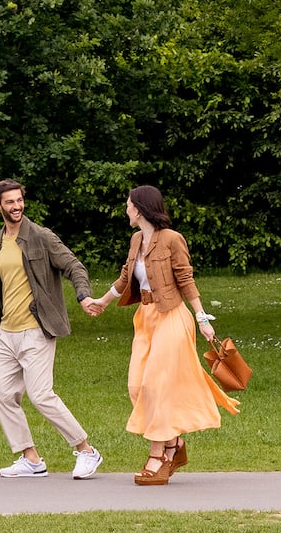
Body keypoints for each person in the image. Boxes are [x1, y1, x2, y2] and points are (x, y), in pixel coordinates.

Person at [81, 183, 236, 483]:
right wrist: (103, 300)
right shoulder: (137, 239)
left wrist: (203, 318)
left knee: (156, 386)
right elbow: (127, 276)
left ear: (139, 208)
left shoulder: (172, 239)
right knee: (137, 386)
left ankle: (158, 456)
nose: (125, 209)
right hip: (147, 318)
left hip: (172, 317)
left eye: (128, 204)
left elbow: (185, 279)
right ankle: (174, 444)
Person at [0, 179, 104, 478]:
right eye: (9, 202)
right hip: (6, 333)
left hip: (36, 330)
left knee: (40, 395)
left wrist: (84, 295)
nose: (17, 206)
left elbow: (74, 266)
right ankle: (31, 459)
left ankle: (86, 451)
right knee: (2, 395)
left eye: (19, 200)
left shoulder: (41, 237)